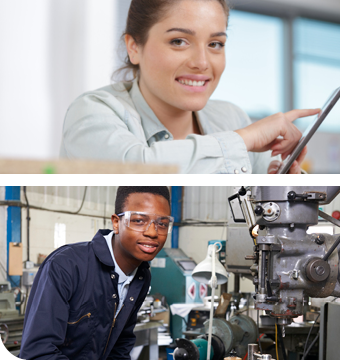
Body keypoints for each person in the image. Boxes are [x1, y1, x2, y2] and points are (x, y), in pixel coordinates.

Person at [60, 0, 316, 174]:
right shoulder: (91, 112)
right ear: (134, 47)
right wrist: (244, 139)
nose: (202, 63)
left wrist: (280, 183)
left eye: (215, 44)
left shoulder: (232, 117)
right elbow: (138, 170)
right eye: (179, 41)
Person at [20, 186, 172, 359]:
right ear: (116, 223)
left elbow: (120, 346)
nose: (152, 232)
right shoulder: (66, 266)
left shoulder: (141, 277)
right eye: (138, 220)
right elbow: (38, 352)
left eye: (162, 224)